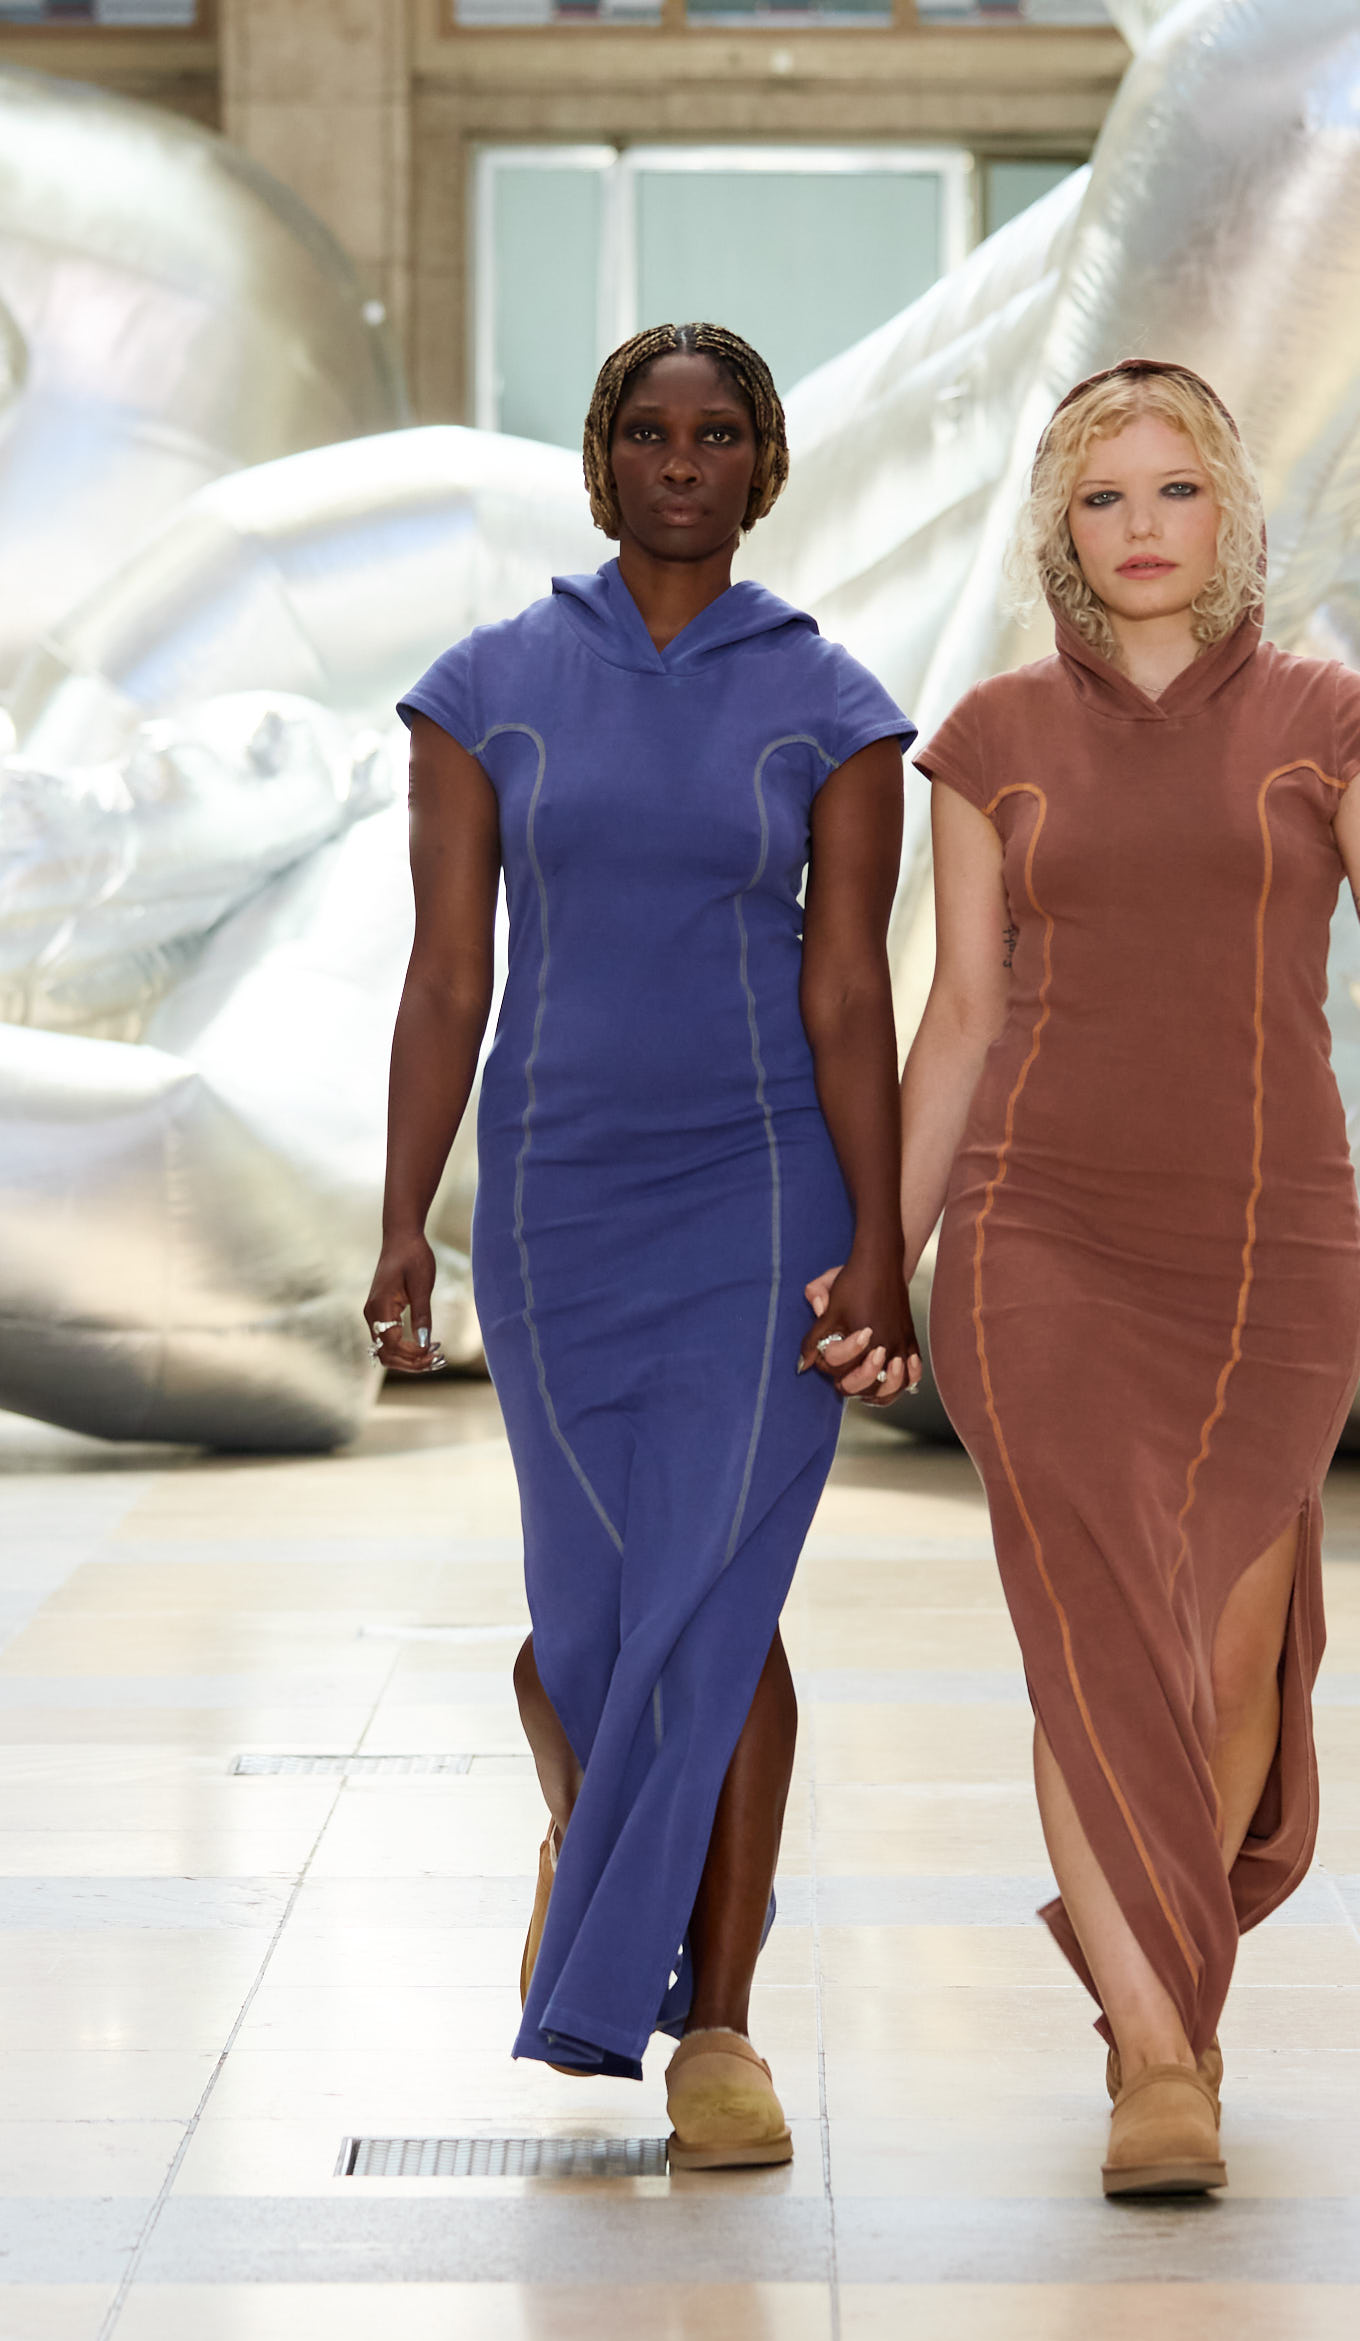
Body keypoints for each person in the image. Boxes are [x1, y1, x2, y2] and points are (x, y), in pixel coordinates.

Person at [855, 359, 1360, 2197]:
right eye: (1104, 499)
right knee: (1093, 1633)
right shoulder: (993, 739)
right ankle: (1158, 2058)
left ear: (1232, 509)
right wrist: (878, 1256)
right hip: (1035, 1236)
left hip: (1269, 1246)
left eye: (1175, 491)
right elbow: (962, 1019)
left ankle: (1171, 1976)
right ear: (1061, 532)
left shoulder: (1339, 724)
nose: (1143, 527)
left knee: (1232, 1648)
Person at [363, 323, 918, 2166]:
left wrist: (884, 1241)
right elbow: (447, 980)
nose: (685, 460)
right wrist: (401, 1224)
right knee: (589, 1625)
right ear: (600, 461)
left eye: (722, 433)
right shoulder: (486, 690)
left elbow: (851, 994)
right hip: (556, 1203)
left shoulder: (835, 706)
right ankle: (594, 1848)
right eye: (651, 433)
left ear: (766, 466)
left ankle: (721, 2028)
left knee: (717, 1600)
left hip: (763, 1203)